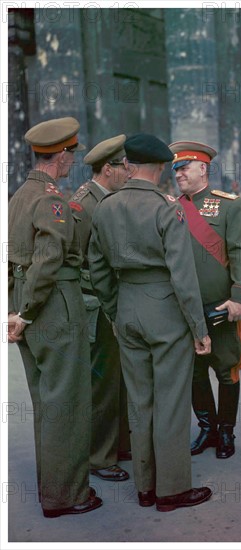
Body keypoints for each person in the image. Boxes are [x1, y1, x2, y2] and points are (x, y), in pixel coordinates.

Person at [88, 133, 212, 512]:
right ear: (160, 168)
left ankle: (145, 486)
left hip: (127, 307)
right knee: (171, 402)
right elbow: (183, 276)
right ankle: (171, 490)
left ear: (128, 165)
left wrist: (114, 309)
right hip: (165, 311)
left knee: (140, 402)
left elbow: (97, 266)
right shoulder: (166, 207)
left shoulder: (106, 206)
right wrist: (199, 328)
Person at [8, 117, 102, 517]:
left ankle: (54, 488)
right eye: (71, 154)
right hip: (53, 307)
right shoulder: (51, 199)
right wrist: (27, 314)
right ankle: (67, 497)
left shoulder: (18, 196)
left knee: (47, 404)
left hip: (26, 306)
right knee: (68, 404)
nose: (73, 161)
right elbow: (47, 262)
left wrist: (14, 311)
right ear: (60, 155)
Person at [169, 140, 241, 459]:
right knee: (194, 372)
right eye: (175, 168)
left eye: (184, 168)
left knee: (226, 370)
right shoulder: (172, 207)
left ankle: (226, 431)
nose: (178, 173)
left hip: (221, 307)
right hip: (185, 311)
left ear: (203, 169)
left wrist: (239, 297)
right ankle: (206, 428)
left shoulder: (228, 205)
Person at [69, 135, 131, 482]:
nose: (127, 172)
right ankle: (99, 456)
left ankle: (119, 445)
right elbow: (77, 262)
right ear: (108, 169)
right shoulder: (84, 205)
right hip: (97, 303)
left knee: (117, 379)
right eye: (123, 167)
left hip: (111, 299)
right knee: (102, 384)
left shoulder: (103, 198)